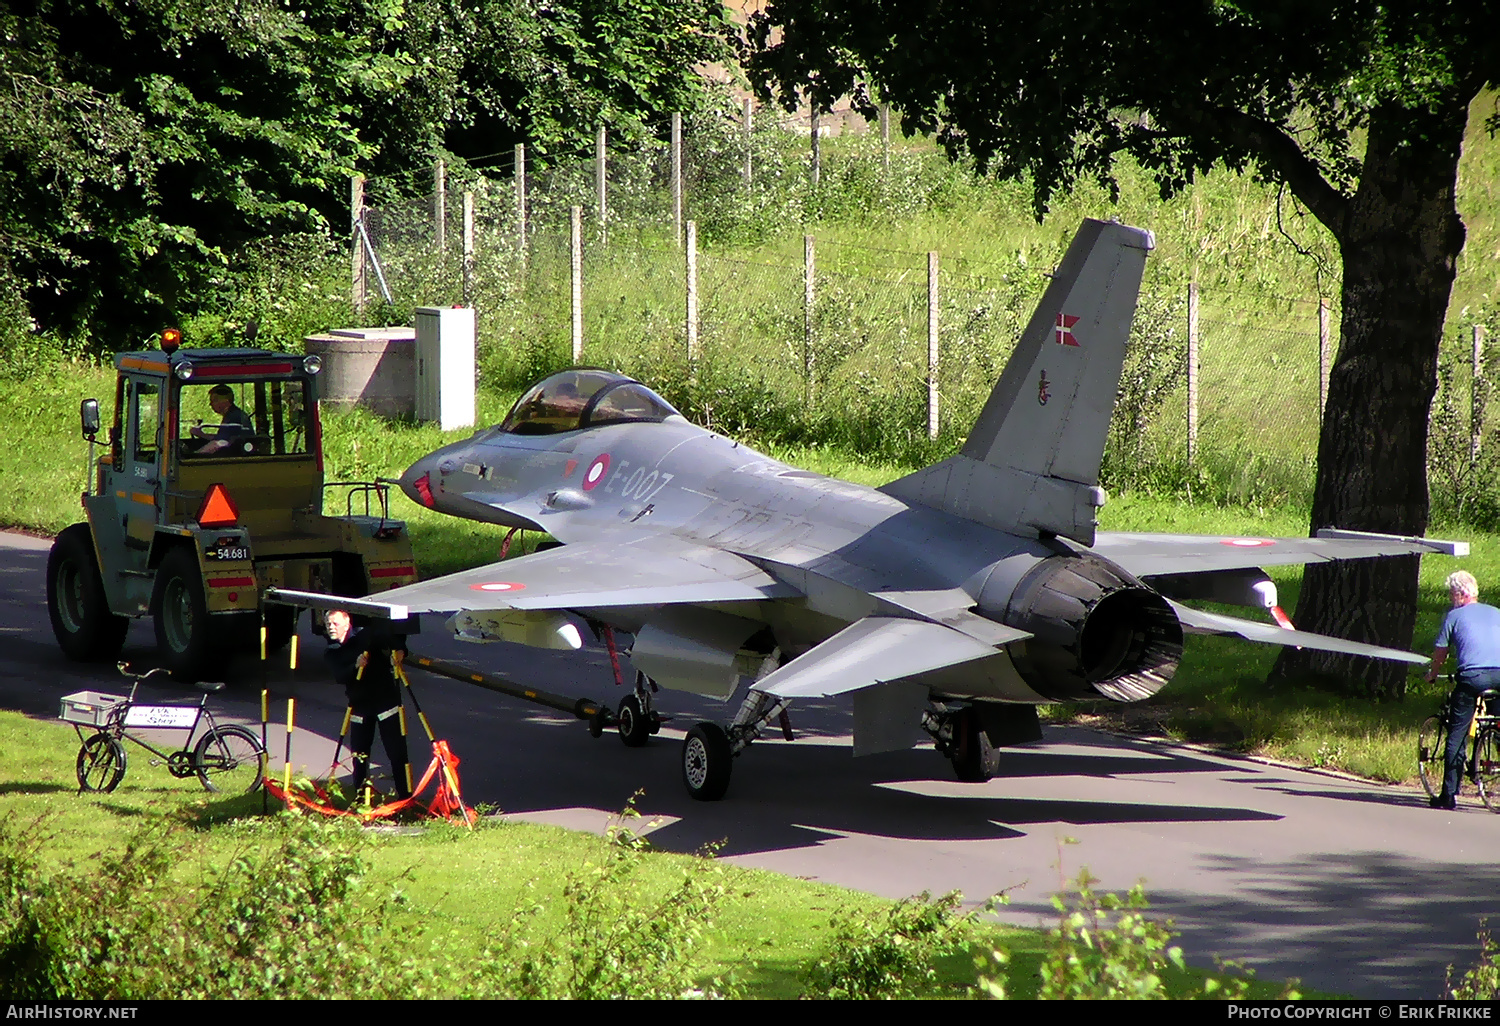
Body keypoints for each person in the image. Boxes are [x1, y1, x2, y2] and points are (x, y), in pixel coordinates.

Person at [1425, 570, 1500, 809]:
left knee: (1457, 733)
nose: (1449, 598)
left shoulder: (1454, 616)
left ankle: (1448, 795)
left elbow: (1440, 651)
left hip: (1472, 677)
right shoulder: (1496, 613)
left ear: (1460, 593)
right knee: (1498, 723)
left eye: (1450, 593)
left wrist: (1432, 674)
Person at [323, 608, 412, 801]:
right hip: (359, 706)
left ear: (347, 624)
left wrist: (399, 651)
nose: (331, 627)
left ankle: (405, 797)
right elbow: (340, 676)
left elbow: (394, 639)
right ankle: (361, 799)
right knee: (359, 756)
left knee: (396, 753)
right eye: (328, 624)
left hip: (385, 702)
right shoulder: (332, 652)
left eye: (335, 623)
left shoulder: (366, 635)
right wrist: (355, 665)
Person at [190, 385, 253, 454]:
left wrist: (196, 455)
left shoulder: (234, 417)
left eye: (214, 400)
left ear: (226, 401)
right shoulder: (232, 415)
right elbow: (221, 437)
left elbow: (219, 443)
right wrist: (201, 434)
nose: (211, 404)